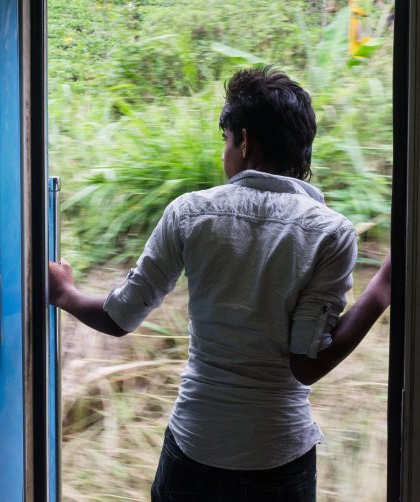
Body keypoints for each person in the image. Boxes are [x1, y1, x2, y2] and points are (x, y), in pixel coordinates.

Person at [48, 66, 393, 501]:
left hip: (194, 448)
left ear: (244, 142)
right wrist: (380, 288)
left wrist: (64, 293)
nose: (225, 155)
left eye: (226, 142)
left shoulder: (189, 213)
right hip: (277, 455)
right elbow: (306, 363)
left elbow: (119, 318)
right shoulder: (331, 232)